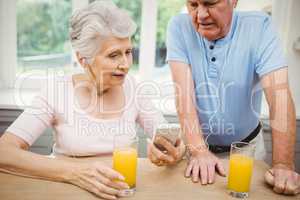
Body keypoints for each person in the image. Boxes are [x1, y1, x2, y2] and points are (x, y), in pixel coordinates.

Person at [0, 1, 185, 199]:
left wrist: (173, 151)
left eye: (128, 52)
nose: (125, 64)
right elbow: (4, 152)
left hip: (121, 191)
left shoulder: (134, 89)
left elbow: (171, 141)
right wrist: (75, 173)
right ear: (83, 59)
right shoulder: (57, 90)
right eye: (114, 55)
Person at [148, 0, 300, 196]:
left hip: (246, 151)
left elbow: (279, 96)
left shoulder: (259, 26)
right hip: (197, 148)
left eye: (210, 3)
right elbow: (184, 97)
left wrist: (283, 164)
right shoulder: (179, 27)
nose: (201, 15)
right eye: (193, 5)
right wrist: (199, 151)